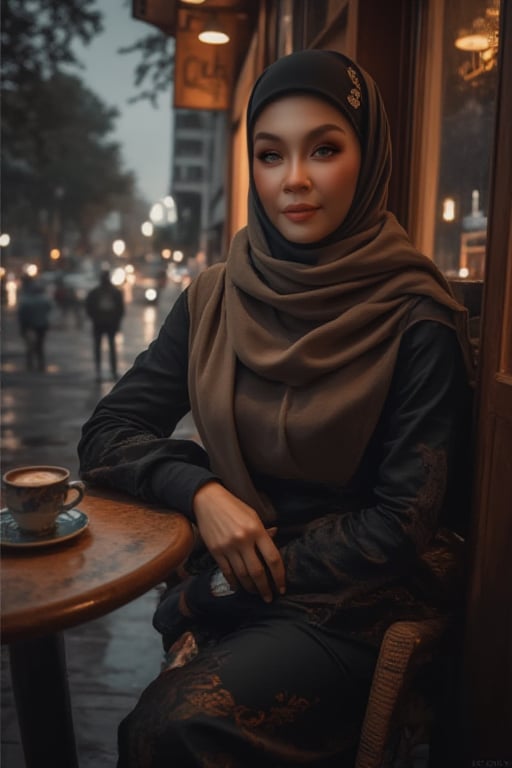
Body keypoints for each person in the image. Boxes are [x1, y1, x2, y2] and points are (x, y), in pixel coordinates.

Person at [78, 50, 474, 768]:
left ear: (369, 155)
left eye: (324, 148)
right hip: (242, 592)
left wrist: (212, 590)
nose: (293, 179)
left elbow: (397, 528)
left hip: (353, 607)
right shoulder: (214, 299)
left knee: (170, 730)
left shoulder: (420, 320)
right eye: (270, 154)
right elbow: (108, 433)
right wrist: (201, 491)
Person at [85, 269, 124, 381]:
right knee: (108, 348)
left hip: (102, 323)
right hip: (104, 323)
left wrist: (94, 317)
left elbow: (120, 309)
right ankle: (109, 371)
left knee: (102, 348)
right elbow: (120, 310)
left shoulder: (97, 292)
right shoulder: (114, 292)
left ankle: (104, 371)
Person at [17, 274, 53, 372]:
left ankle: (30, 362)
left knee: (29, 344)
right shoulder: (44, 300)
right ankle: (40, 362)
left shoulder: (26, 300)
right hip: (41, 325)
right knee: (40, 345)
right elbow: (49, 309)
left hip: (29, 325)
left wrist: (23, 326)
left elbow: (22, 314)